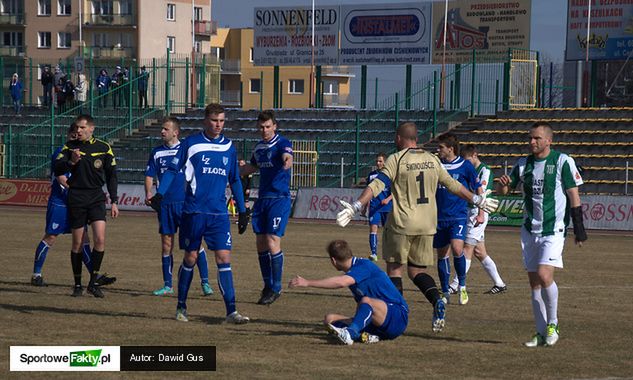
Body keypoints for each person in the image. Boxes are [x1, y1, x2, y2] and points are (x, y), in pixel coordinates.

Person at [336, 122, 498, 333]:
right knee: (417, 271)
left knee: (395, 269)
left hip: (402, 224)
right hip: (427, 225)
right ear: (417, 138)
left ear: (398, 139)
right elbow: (453, 185)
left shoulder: (397, 159)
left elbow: (377, 185)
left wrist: (356, 206)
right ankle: (437, 298)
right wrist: (477, 199)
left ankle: (396, 313)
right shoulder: (432, 159)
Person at [149, 103, 250, 324]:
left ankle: (231, 312)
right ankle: (181, 307)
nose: (219, 125)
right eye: (215, 121)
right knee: (191, 257)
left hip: (218, 214)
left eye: (222, 121)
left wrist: (242, 210)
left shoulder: (229, 147)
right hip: (194, 211)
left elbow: (234, 179)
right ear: (206, 121)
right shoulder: (191, 144)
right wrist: (160, 194)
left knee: (224, 258)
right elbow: (173, 170)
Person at [497, 122, 587, 347]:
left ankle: (553, 324)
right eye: (530, 138)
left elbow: (574, 196)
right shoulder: (523, 164)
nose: (532, 142)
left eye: (537, 138)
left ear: (549, 140)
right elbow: (505, 191)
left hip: (553, 229)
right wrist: (503, 186)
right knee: (534, 283)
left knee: (545, 275)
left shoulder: (562, 161)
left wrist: (579, 228)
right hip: (529, 230)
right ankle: (540, 332)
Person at [31, 124, 115, 288]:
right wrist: (80, 190)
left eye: (78, 134)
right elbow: (61, 177)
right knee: (51, 236)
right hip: (61, 202)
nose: (76, 137)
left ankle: (94, 276)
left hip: (77, 201)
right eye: (73, 135)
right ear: (69, 135)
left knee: (83, 240)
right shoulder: (61, 153)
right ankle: (36, 274)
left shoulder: (84, 151)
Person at [289, 240, 409, 345]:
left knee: (366, 300)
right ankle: (366, 336)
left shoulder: (363, 265)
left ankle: (350, 334)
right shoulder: (352, 271)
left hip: (397, 317)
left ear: (333, 260)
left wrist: (308, 282)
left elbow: (341, 282)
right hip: (377, 321)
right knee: (329, 320)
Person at [144, 117, 214, 297]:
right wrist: (149, 194)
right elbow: (150, 175)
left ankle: (205, 282)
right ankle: (168, 285)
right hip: (165, 205)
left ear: (176, 132)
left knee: (195, 244)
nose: (162, 132)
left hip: (185, 204)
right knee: (166, 245)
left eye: (166, 129)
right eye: (162, 128)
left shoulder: (187, 150)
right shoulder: (157, 152)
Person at [54, 114, 119, 298]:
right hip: (77, 197)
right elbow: (57, 169)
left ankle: (93, 282)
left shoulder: (104, 148)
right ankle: (77, 284)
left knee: (99, 239)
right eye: (76, 128)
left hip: (97, 197)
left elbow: (112, 175)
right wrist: (71, 162)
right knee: (78, 243)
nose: (78, 131)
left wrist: (114, 201)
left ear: (91, 129)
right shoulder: (70, 147)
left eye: (82, 128)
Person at [239, 110, 293, 305]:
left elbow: (287, 156)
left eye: (268, 126)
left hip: (279, 198)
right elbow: (250, 168)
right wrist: (233, 172)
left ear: (274, 126)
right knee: (261, 243)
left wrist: (287, 161)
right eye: (261, 127)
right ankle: (267, 285)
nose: (264, 130)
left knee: (272, 240)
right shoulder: (259, 148)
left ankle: (276, 288)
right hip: (263, 199)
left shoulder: (282, 142)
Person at [447, 144, 507, 295]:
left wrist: (480, 214)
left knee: (467, 248)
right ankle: (499, 283)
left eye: (467, 160)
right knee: (480, 252)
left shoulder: (485, 170)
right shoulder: (470, 170)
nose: (466, 163)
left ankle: (455, 284)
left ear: (475, 155)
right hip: (470, 210)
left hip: (478, 212)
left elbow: (483, 194)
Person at [434, 133, 484, 306]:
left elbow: (478, 188)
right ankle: (445, 291)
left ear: (450, 148)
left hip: (458, 216)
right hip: (438, 217)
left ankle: (462, 285)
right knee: (442, 255)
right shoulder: (436, 165)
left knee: (457, 249)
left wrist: (481, 212)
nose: (437, 150)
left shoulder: (465, 166)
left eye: (441, 147)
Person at [363, 152, 392, 262]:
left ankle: (389, 251)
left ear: (385, 162)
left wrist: (388, 199)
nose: (378, 163)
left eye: (380, 161)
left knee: (388, 231)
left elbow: (395, 192)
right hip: (375, 207)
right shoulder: (372, 175)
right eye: (377, 161)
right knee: (373, 229)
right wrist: (364, 207)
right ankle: (374, 253)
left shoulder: (390, 175)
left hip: (387, 207)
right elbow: (368, 192)